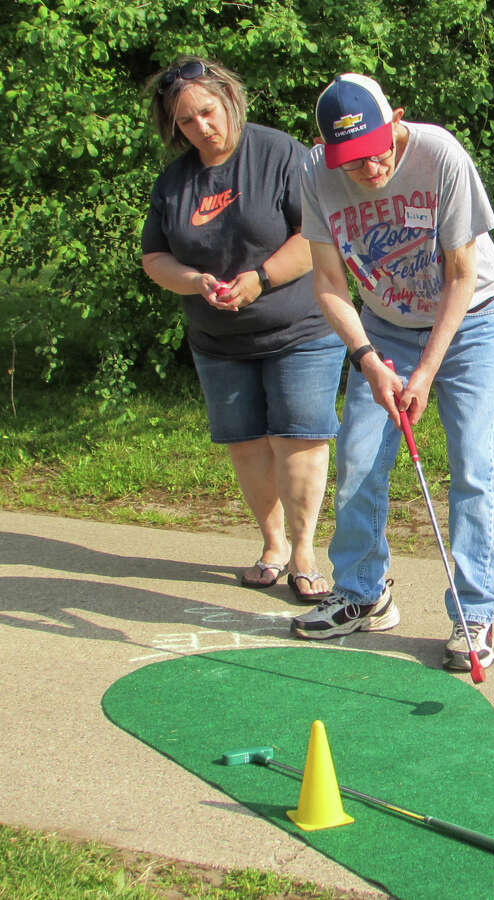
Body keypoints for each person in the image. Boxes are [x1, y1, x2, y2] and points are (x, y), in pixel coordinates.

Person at [292, 73, 494, 672]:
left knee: (472, 462)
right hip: (385, 326)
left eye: (376, 151)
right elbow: (329, 281)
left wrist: (423, 374)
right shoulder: (316, 175)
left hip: (472, 318)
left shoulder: (441, 155)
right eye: (352, 161)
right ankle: (363, 593)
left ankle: (473, 611)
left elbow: (462, 275)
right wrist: (369, 360)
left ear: (396, 121)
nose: (368, 170)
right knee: (360, 459)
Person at [141, 56, 344, 602]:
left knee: (299, 439)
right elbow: (154, 258)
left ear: (229, 97)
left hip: (300, 329)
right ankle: (273, 544)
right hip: (218, 341)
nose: (201, 128)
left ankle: (305, 551)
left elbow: (315, 237)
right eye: (186, 122)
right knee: (247, 445)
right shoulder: (174, 180)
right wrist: (193, 281)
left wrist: (260, 278)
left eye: (207, 112)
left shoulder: (280, 153)